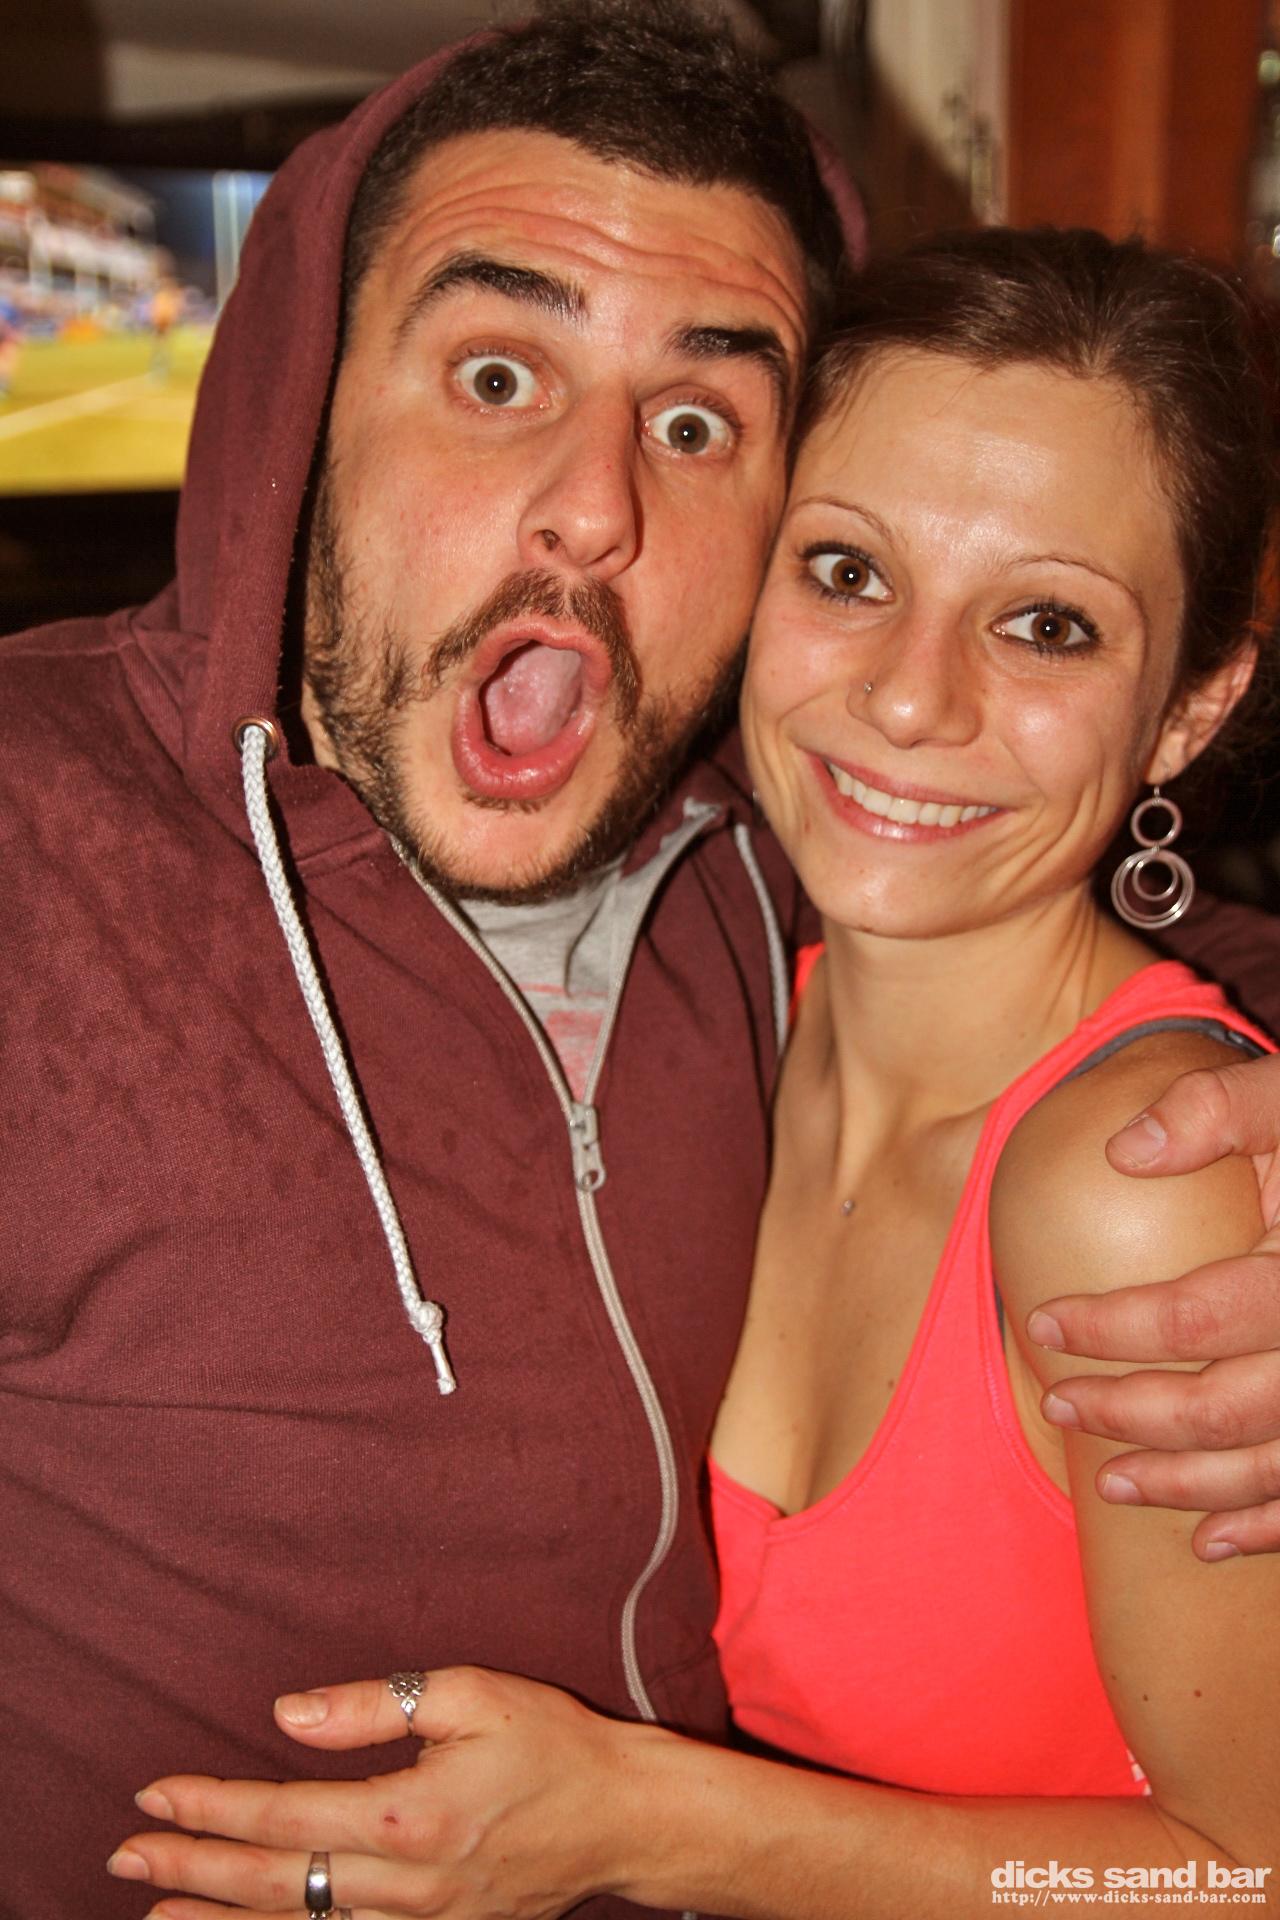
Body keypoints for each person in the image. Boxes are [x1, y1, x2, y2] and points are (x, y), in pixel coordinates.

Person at [1, 4, 1276, 1909]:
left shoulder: (756, 884)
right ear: (299, 403)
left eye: (696, 425)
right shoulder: (34, 851)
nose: (598, 507)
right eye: (496, 373)